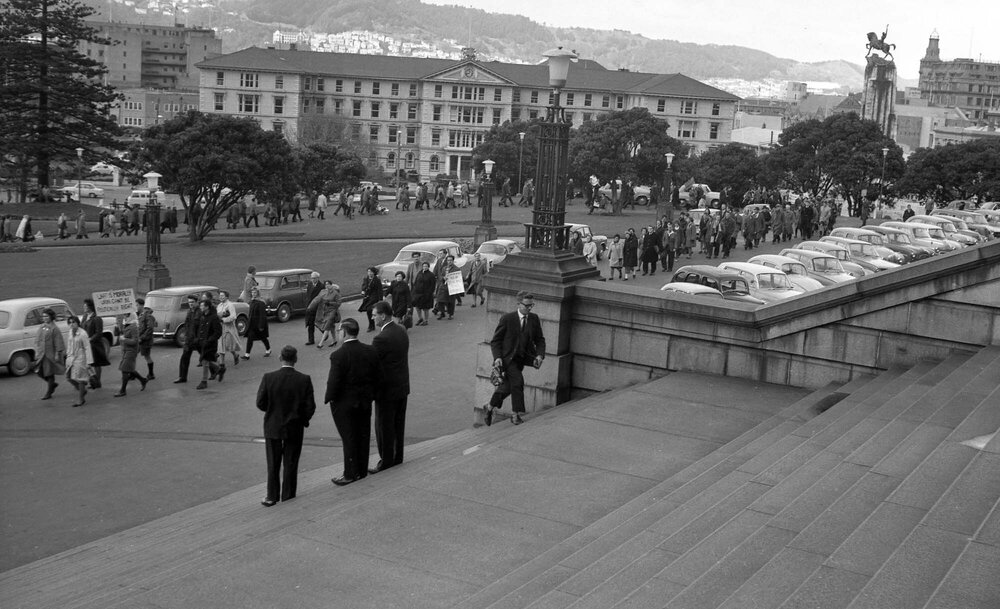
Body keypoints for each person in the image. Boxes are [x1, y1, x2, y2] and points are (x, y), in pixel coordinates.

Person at [256, 345, 316, 506]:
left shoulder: (269, 378)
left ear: (280, 358)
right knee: (291, 462)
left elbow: (260, 402)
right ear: (295, 359)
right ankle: (288, 494)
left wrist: (272, 411)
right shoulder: (304, 379)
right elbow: (310, 406)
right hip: (294, 426)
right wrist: (302, 419)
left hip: (273, 425)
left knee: (273, 462)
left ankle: (271, 495)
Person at [325, 318, 382, 485]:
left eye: (339, 331)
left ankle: (350, 473)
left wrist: (330, 398)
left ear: (344, 332)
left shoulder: (338, 355)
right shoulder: (370, 350)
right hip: (364, 401)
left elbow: (334, 382)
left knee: (349, 437)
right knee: (363, 434)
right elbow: (378, 376)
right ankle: (361, 469)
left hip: (344, 403)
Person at [484, 291, 545, 426]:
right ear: (518, 304)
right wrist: (497, 358)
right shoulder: (507, 319)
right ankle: (515, 415)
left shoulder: (534, 319)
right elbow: (496, 341)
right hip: (507, 359)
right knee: (518, 382)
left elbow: (540, 339)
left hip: (522, 359)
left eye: (531, 305)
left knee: (507, 387)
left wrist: (539, 355)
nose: (529, 308)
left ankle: (489, 407)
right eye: (527, 305)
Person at [370, 301, 410, 472]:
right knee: (398, 425)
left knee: (384, 427)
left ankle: (386, 461)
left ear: (383, 315)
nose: (373, 318)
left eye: (374, 315)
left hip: (386, 391)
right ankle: (397, 457)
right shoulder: (401, 330)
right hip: (402, 386)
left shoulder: (380, 338)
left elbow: (372, 363)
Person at [34, 308, 66, 400]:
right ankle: (52, 384)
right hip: (42, 354)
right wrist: (37, 351)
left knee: (49, 372)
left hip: (50, 354)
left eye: (46, 316)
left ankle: (49, 392)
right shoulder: (42, 327)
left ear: (51, 317)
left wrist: (57, 354)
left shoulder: (54, 329)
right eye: (43, 316)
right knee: (39, 371)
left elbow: (58, 342)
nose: (44, 318)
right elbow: (38, 340)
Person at [64, 315, 94, 407]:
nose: (72, 324)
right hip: (71, 357)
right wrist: (67, 355)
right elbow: (69, 344)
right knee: (69, 377)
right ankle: (82, 390)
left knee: (80, 379)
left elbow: (87, 347)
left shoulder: (83, 333)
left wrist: (89, 362)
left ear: (78, 323)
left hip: (81, 358)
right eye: (70, 322)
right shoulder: (70, 332)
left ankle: (81, 399)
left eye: (74, 322)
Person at [81, 298, 109, 389]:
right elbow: (81, 326)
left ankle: (97, 382)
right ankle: (93, 380)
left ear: (90, 307)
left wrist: (90, 339)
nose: (84, 307)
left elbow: (99, 333)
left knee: (96, 363)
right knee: (87, 363)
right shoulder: (85, 316)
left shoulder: (97, 318)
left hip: (95, 345)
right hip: (86, 344)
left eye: (85, 306)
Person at [195, 299, 224, 390]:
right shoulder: (202, 316)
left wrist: (210, 340)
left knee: (204, 361)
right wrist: (198, 339)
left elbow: (218, 332)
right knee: (206, 360)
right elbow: (200, 329)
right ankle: (219, 368)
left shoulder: (214, 317)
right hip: (202, 343)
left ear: (207, 307)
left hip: (210, 344)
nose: (200, 307)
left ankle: (204, 381)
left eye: (202, 306)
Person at [115, 319, 148, 397]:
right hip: (125, 350)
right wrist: (117, 329)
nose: (125, 316)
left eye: (127, 314)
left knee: (125, 369)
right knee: (128, 369)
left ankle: (123, 391)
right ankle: (143, 380)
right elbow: (118, 335)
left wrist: (124, 339)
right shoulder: (125, 324)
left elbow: (134, 341)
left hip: (131, 351)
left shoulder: (133, 326)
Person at [173, 295, 202, 383]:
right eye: (189, 302)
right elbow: (187, 324)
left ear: (197, 302)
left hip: (197, 339)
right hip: (189, 339)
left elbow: (201, 327)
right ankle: (182, 377)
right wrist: (186, 335)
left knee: (205, 357)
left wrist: (198, 338)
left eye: (192, 302)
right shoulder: (190, 311)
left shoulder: (199, 312)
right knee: (184, 358)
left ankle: (216, 369)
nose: (191, 304)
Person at [216, 290, 244, 367]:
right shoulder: (219, 306)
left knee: (228, 345)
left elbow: (233, 316)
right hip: (221, 328)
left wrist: (223, 320)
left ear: (227, 297)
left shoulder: (230, 305)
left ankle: (235, 355)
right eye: (220, 296)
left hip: (229, 329)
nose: (220, 297)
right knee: (221, 345)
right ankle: (222, 363)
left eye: (222, 296)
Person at [243, 287, 271, 359]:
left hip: (258, 324)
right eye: (252, 292)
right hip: (252, 324)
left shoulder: (261, 303)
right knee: (250, 338)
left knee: (263, 338)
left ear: (258, 293)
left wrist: (261, 326)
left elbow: (262, 315)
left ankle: (268, 349)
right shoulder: (252, 301)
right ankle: (247, 355)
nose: (253, 294)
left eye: (255, 292)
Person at [314, 281, 341, 348]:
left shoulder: (336, 293)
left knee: (327, 326)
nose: (327, 286)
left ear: (331, 285)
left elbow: (338, 303)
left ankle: (320, 343)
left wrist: (330, 303)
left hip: (333, 311)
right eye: (326, 285)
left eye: (328, 284)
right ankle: (334, 340)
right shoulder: (325, 292)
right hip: (326, 311)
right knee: (332, 327)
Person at [434, 254, 460, 320]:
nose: (449, 262)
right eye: (448, 260)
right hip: (443, 285)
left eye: (451, 260)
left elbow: (458, 278)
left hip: (452, 286)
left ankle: (451, 314)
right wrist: (443, 278)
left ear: (453, 261)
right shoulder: (444, 268)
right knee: (440, 300)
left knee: (450, 301)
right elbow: (441, 276)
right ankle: (442, 312)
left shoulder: (456, 269)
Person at [136, 298, 156, 380]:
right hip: (138, 339)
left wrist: (142, 338)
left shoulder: (147, 316)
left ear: (141, 305)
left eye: (137, 305)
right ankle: (132, 373)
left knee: (147, 356)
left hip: (145, 340)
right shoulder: (137, 315)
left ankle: (151, 374)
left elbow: (150, 328)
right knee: (132, 355)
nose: (135, 307)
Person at [359, 267, 384, 332]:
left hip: (374, 297)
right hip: (367, 297)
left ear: (374, 272)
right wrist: (363, 290)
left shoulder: (377, 280)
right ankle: (371, 325)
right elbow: (363, 286)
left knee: (369, 310)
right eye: (368, 272)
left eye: (371, 272)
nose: (369, 273)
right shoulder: (366, 278)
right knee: (369, 311)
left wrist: (380, 300)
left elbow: (380, 290)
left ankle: (375, 324)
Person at [411, 260, 435, 326]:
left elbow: (432, 286)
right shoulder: (419, 273)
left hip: (426, 294)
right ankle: (420, 318)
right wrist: (414, 291)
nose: (425, 267)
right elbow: (416, 282)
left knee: (425, 308)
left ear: (428, 267)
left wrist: (429, 293)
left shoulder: (431, 275)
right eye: (424, 266)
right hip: (418, 293)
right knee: (417, 307)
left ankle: (426, 320)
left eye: (426, 266)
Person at [303, 271, 324, 345]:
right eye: (312, 278)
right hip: (310, 307)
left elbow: (322, 297)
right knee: (310, 324)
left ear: (318, 278)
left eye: (314, 278)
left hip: (317, 307)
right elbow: (308, 295)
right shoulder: (310, 284)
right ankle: (311, 340)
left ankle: (324, 332)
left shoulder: (321, 286)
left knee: (317, 323)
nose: (312, 279)